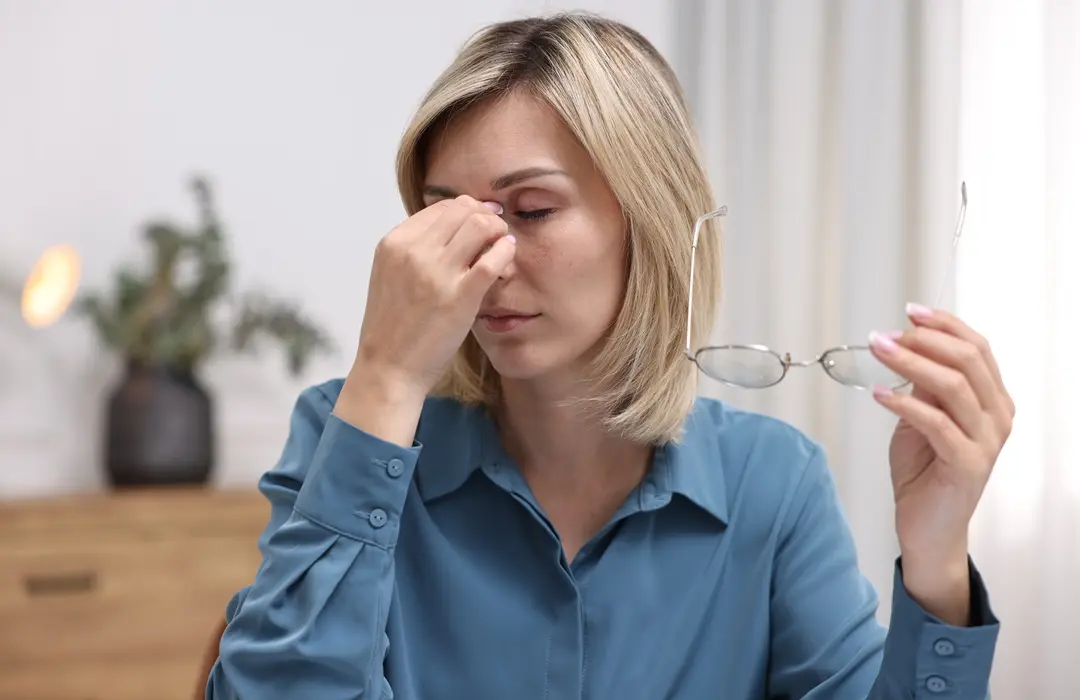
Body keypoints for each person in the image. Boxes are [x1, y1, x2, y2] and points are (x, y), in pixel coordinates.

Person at [206, 12, 1011, 700]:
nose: (482, 260)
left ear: (649, 220)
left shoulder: (772, 483)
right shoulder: (348, 434)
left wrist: (937, 561)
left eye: (530, 209)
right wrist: (384, 378)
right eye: (444, 216)